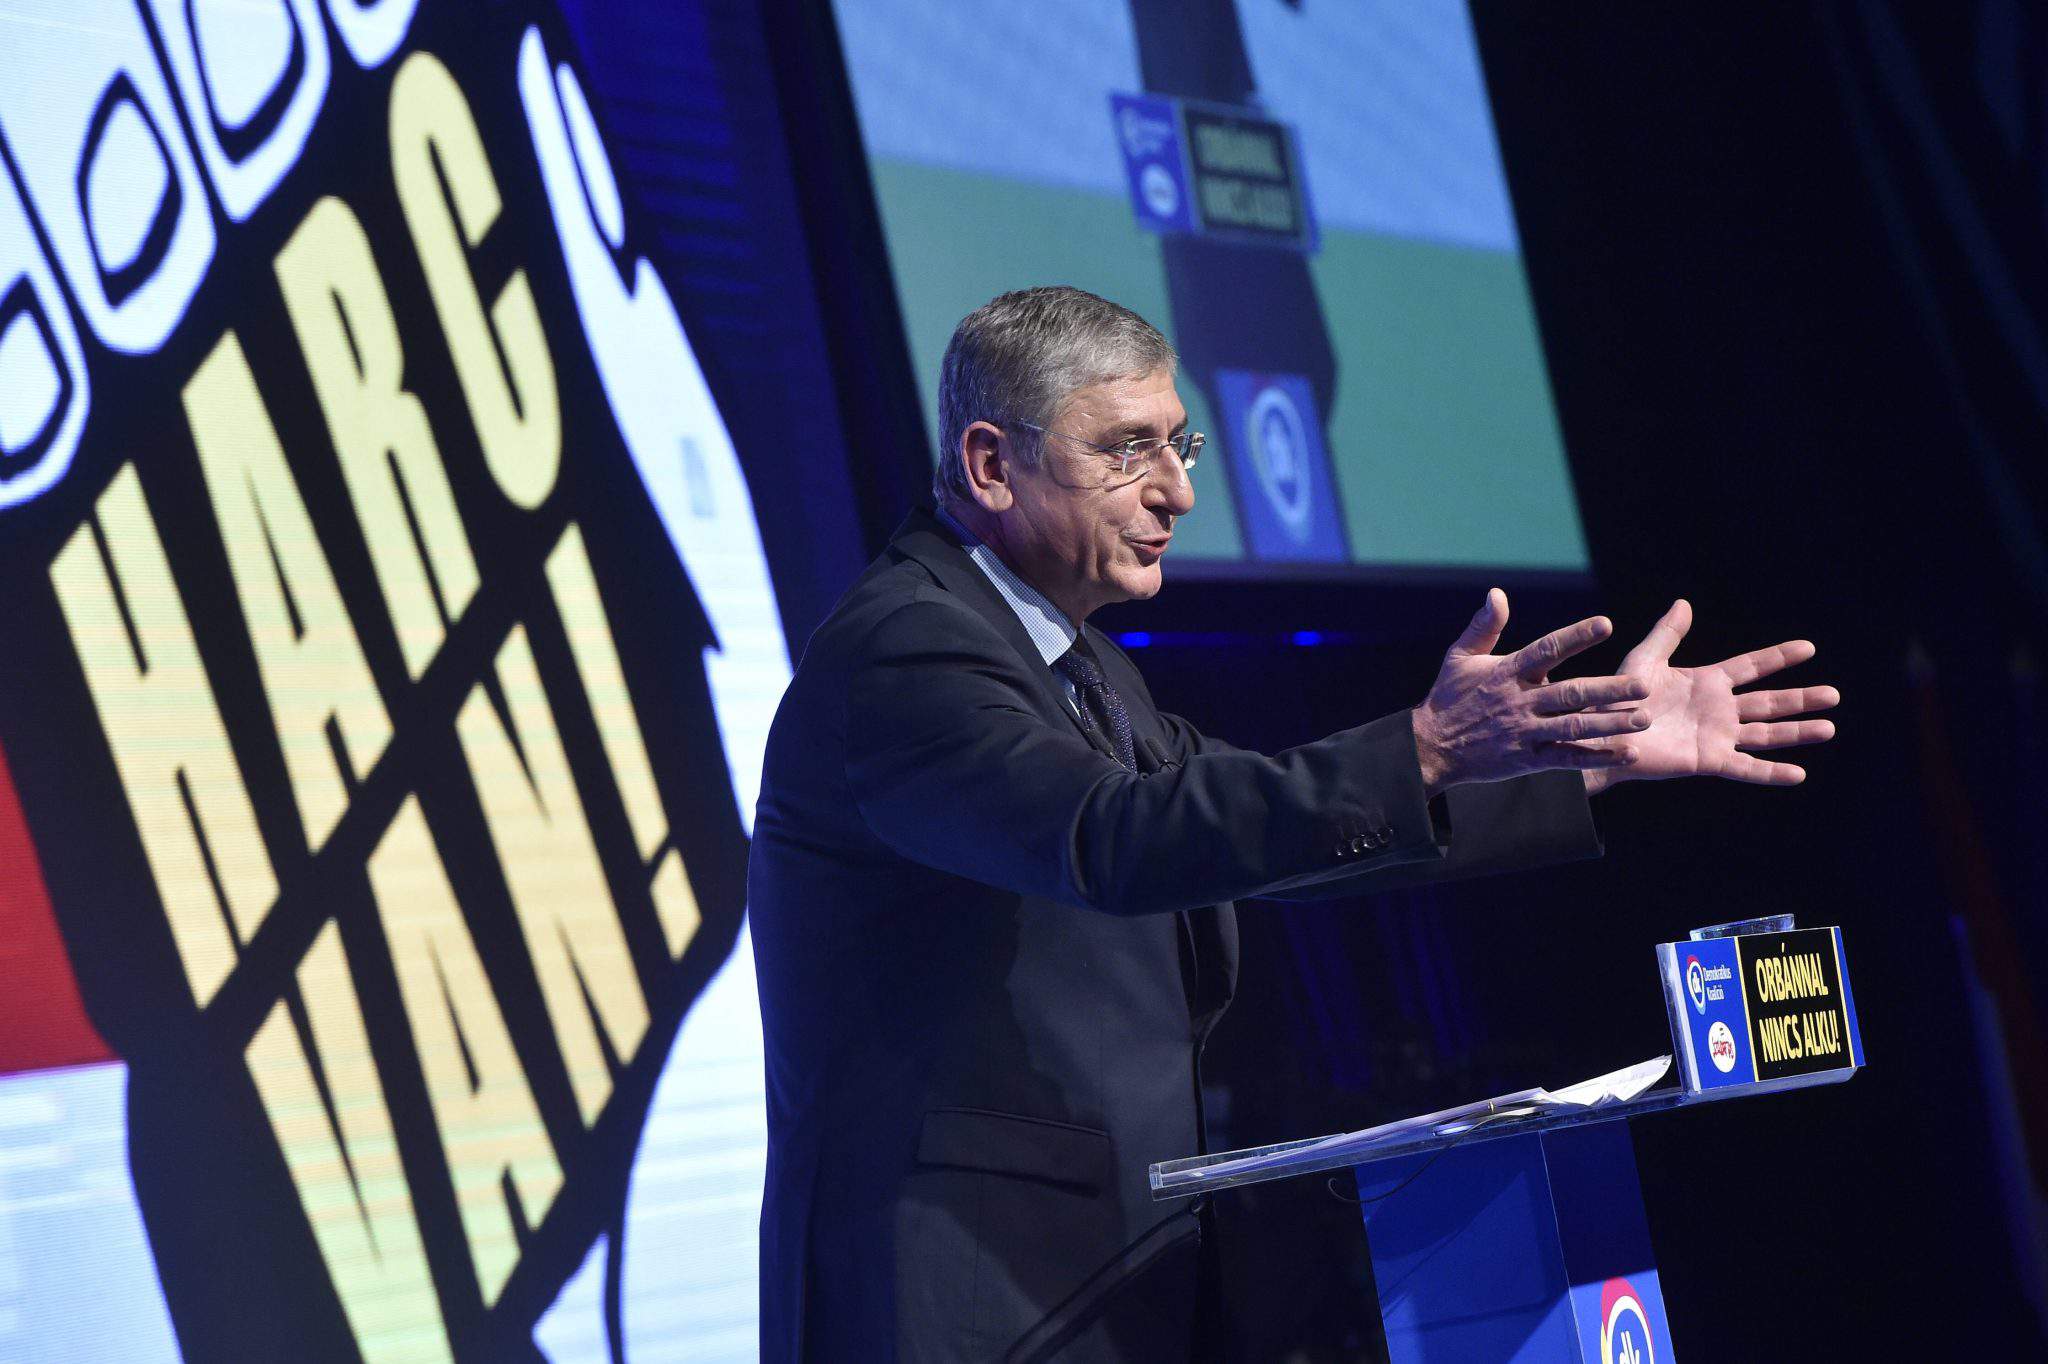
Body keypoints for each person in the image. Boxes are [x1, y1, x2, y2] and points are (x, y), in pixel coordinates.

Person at [747, 287, 1837, 1362]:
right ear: (991, 464)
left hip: (1087, 1282)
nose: (1177, 490)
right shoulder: (907, 653)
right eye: (1126, 449)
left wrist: (1580, 755)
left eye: (1180, 444)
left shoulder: (1082, 664)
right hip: (955, 1299)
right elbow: (1114, 836)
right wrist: (1423, 744)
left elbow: (1262, 823)